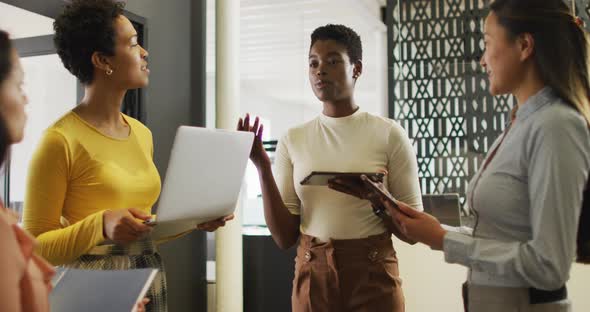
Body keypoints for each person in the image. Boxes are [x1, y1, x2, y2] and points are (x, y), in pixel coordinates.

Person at [367, 0, 590, 311]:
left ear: (524, 45)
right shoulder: (520, 123)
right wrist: (436, 230)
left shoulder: (556, 125)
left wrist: (446, 241)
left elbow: (548, 264)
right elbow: (501, 236)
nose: (482, 60)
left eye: (486, 43)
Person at [22, 1, 232, 311]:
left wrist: (195, 220)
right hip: (92, 288)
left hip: (148, 275)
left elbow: (140, 234)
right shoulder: (59, 140)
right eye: (133, 44)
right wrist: (100, 225)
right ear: (102, 60)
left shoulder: (141, 134)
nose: (145, 52)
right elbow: (33, 248)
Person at [238, 24, 423, 311]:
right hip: (312, 274)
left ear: (356, 68)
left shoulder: (389, 134)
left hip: (373, 273)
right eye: (313, 63)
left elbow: (412, 233)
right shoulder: (294, 139)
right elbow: (284, 237)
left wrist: (378, 200)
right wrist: (262, 165)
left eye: (333, 61)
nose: (319, 70)